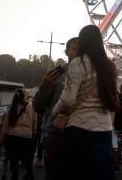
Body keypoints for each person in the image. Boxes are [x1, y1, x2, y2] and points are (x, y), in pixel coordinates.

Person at [52, 24, 119, 180]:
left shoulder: (78, 63)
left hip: (80, 128)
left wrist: (55, 111)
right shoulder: (110, 66)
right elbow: (112, 99)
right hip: (104, 129)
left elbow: (68, 99)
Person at [32, 37, 79, 180]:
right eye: (74, 49)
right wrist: (44, 86)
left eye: (81, 51)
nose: (77, 54)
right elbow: (37, 106)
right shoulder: (57, 75)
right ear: (67, 52)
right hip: (55, 134)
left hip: (79, 135)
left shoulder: (91, 76)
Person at [0, 89, 36, 180]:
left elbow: (5, 125)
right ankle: (30, 176)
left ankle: (14, 177)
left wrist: (1, 138)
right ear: (24, 96)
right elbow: (34, 122)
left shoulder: (12, 107)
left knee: (13, 160)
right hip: (26, 136)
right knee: (27, 159)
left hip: (12, 136)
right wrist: (33, 131)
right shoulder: (31, 106)